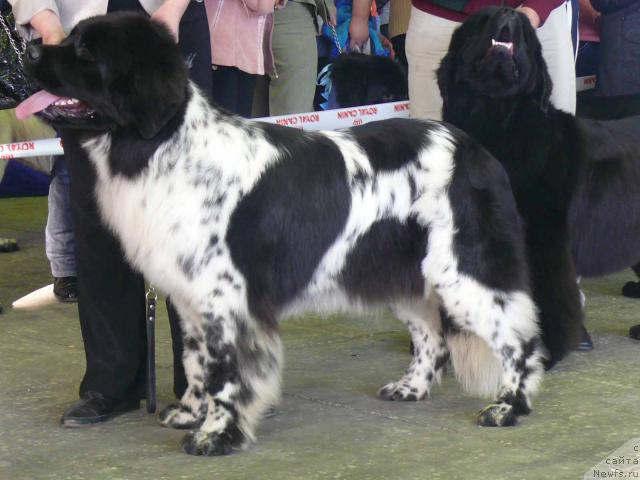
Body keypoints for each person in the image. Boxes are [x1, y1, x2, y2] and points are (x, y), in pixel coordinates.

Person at [9, 0, 212, 426]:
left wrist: (172, 11)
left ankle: (205, 382)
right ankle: (110, 383)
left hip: (167, 23)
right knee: (97, 216)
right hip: (79, 32)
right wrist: (47, 25)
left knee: (190, 223)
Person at [405, 0, 577, 120]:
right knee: (434, 143)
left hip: (541, 16)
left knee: (556, 141)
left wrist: (535, 10)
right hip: (443, 15)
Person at [204, 0, 286, 118]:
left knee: (238, 123)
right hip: (223, 49)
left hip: (246, 51)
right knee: (226, 125)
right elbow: (262, 5)